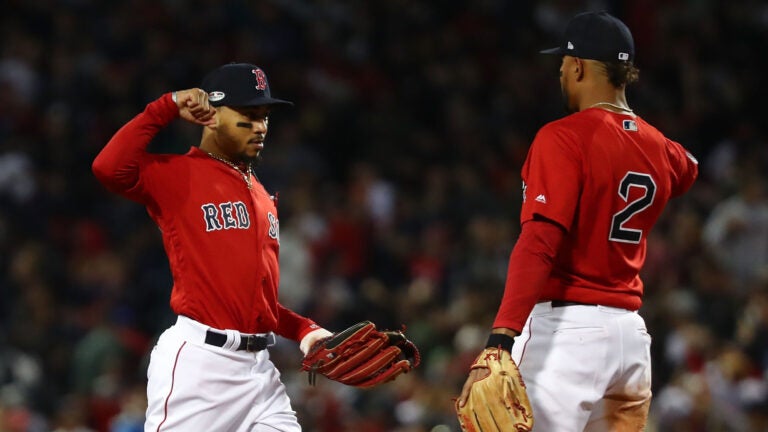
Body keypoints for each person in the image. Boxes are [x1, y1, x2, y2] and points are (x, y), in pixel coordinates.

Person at [457, 11, 699, 431]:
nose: (560, 75)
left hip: (567, 336)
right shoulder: (660, 147)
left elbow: (539, 242)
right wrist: (640, 139)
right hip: (630, 342)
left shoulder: (562, 136)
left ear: (578, 66)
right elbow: (689, 168)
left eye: (562, 66)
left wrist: (501, 337)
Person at [92, 63, 334, 431]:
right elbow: (108, 168)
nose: (260, 127)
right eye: (248, 115)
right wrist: (167, 106)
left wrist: (304, 329)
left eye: (264, 116)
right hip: (200, 367)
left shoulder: (261, 194)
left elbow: (255, 302)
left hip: (260, 371)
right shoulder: (178, 174)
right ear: (212, 115)